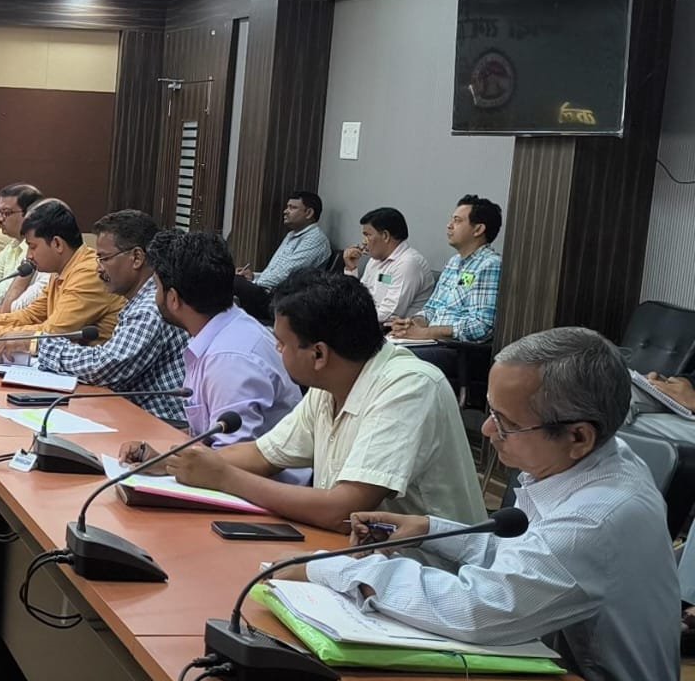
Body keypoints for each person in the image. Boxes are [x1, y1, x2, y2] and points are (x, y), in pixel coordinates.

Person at [288, 328, 678, 681]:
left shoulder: (596, 517)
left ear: (578, 437)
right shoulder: (602, 458)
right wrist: (429, 530)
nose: (489, 430)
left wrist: (335, 569)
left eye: (507, 422)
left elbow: (475, 609)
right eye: (491, 412)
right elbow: (532, 560)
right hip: (542, 677)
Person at [153, 269, 486, 531]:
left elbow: (343, 510)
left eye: (281, 343)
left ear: (318, 354)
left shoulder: (408, 387)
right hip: (359, 562)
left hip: (429, 576)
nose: (276, 350)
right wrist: (172, 462)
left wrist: (225, 477)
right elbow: (263, 455)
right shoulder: (330, 384)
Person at [122, 231, 300, 449]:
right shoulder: (224, 330)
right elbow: (205, 436)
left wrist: (163, 461)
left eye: (156, 287)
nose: (155, 296)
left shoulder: (229, 360)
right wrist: (157, 450)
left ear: (173, 298)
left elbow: (229, 457)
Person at [37, 210, 187, 424]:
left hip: (164, 427)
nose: (98, 269)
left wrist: (46, 346)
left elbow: (104, 366)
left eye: (104, 258)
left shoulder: (150, 307)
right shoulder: (138, 300)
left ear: (137, 258)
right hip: (136, 418)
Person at [0, 200, 126, 360]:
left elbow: (53, 332)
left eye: (32, 247)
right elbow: (32, 315)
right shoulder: (62, 269)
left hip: (90, 372)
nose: (29, 256)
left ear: (57, 244)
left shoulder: (89, 273)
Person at [389, 194, 503, 345]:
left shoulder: (490, 265)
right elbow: (431, 308)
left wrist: (425, 333)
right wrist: (412, 324)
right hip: (431, 340)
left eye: (457, 221)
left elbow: (482, 326)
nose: (449, 225)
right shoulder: (453, 262)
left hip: (455, 347)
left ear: (478, 229)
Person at [233, 190, 331, 321]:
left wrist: (253, 284)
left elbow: (286, 274)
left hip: (285, 302)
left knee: (230, 281)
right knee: (230, 280)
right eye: (287, 207)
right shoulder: (291, 235)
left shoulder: (315, 239)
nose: (285, 211)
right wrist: (253, 277)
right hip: (271, 294)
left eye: (292, 208)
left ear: (309, 213)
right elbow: (275, 270)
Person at [341, 207, 434, 325]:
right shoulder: (375, 260)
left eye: (367, 235)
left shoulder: (408, 263)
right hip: (369, 322)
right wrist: (351, 269)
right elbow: (359, 297)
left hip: (391, 329)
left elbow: (389, 314)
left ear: (385, 236)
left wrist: (350, 316)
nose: (364, 241)